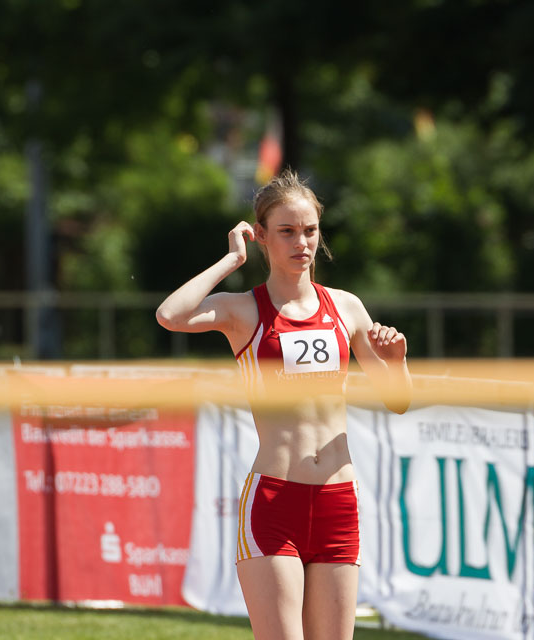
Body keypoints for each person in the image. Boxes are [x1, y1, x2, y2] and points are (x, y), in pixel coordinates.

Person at [155, 169, 411, 640]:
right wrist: (232, 259)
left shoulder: (346, 307)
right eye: (287, 232)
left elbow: (398, 401)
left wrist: (396, 362)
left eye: (310, 230)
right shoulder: (244, 310)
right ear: (263, 238)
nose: (302, 242)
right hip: (274, 501)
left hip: (337, 501)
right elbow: (170, 315)